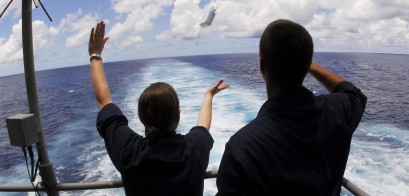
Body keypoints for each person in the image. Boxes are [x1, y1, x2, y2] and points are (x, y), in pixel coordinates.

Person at [216, 19, 367, 195]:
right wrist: (309, 64)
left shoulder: (242, 146)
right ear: (306, 64)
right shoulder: (338, 110)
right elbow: (353, 92)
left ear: (262, 64)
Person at [88, 21, 229, 195]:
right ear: (178, 115)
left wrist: (95, 54)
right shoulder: (194, 149)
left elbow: (104, 101)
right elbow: (203, 126)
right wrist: (208, 96)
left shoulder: (130, 151)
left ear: (141, 117)